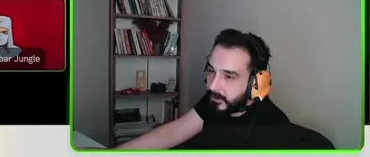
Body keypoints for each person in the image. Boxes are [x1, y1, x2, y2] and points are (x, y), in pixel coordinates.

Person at [117, 30, 334, 150]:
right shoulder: (218, 100)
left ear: (257, 83)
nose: (212, 85)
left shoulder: (272, 135)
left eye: (229, 76)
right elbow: (173, 132)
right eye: (212, 71)